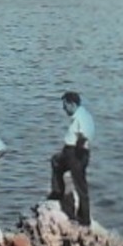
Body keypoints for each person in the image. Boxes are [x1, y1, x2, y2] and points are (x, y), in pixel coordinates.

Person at [49, 90, 94, 226]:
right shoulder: (80, 115)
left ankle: (84, 219)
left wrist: (77, 152)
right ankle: (57, 192)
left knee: (80, 185)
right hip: (71, 152)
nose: (63, 108)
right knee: (56, 162)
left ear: (72, 104)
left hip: (76, 152)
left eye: (65, 104)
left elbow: (84, 135)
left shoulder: (82, 117)